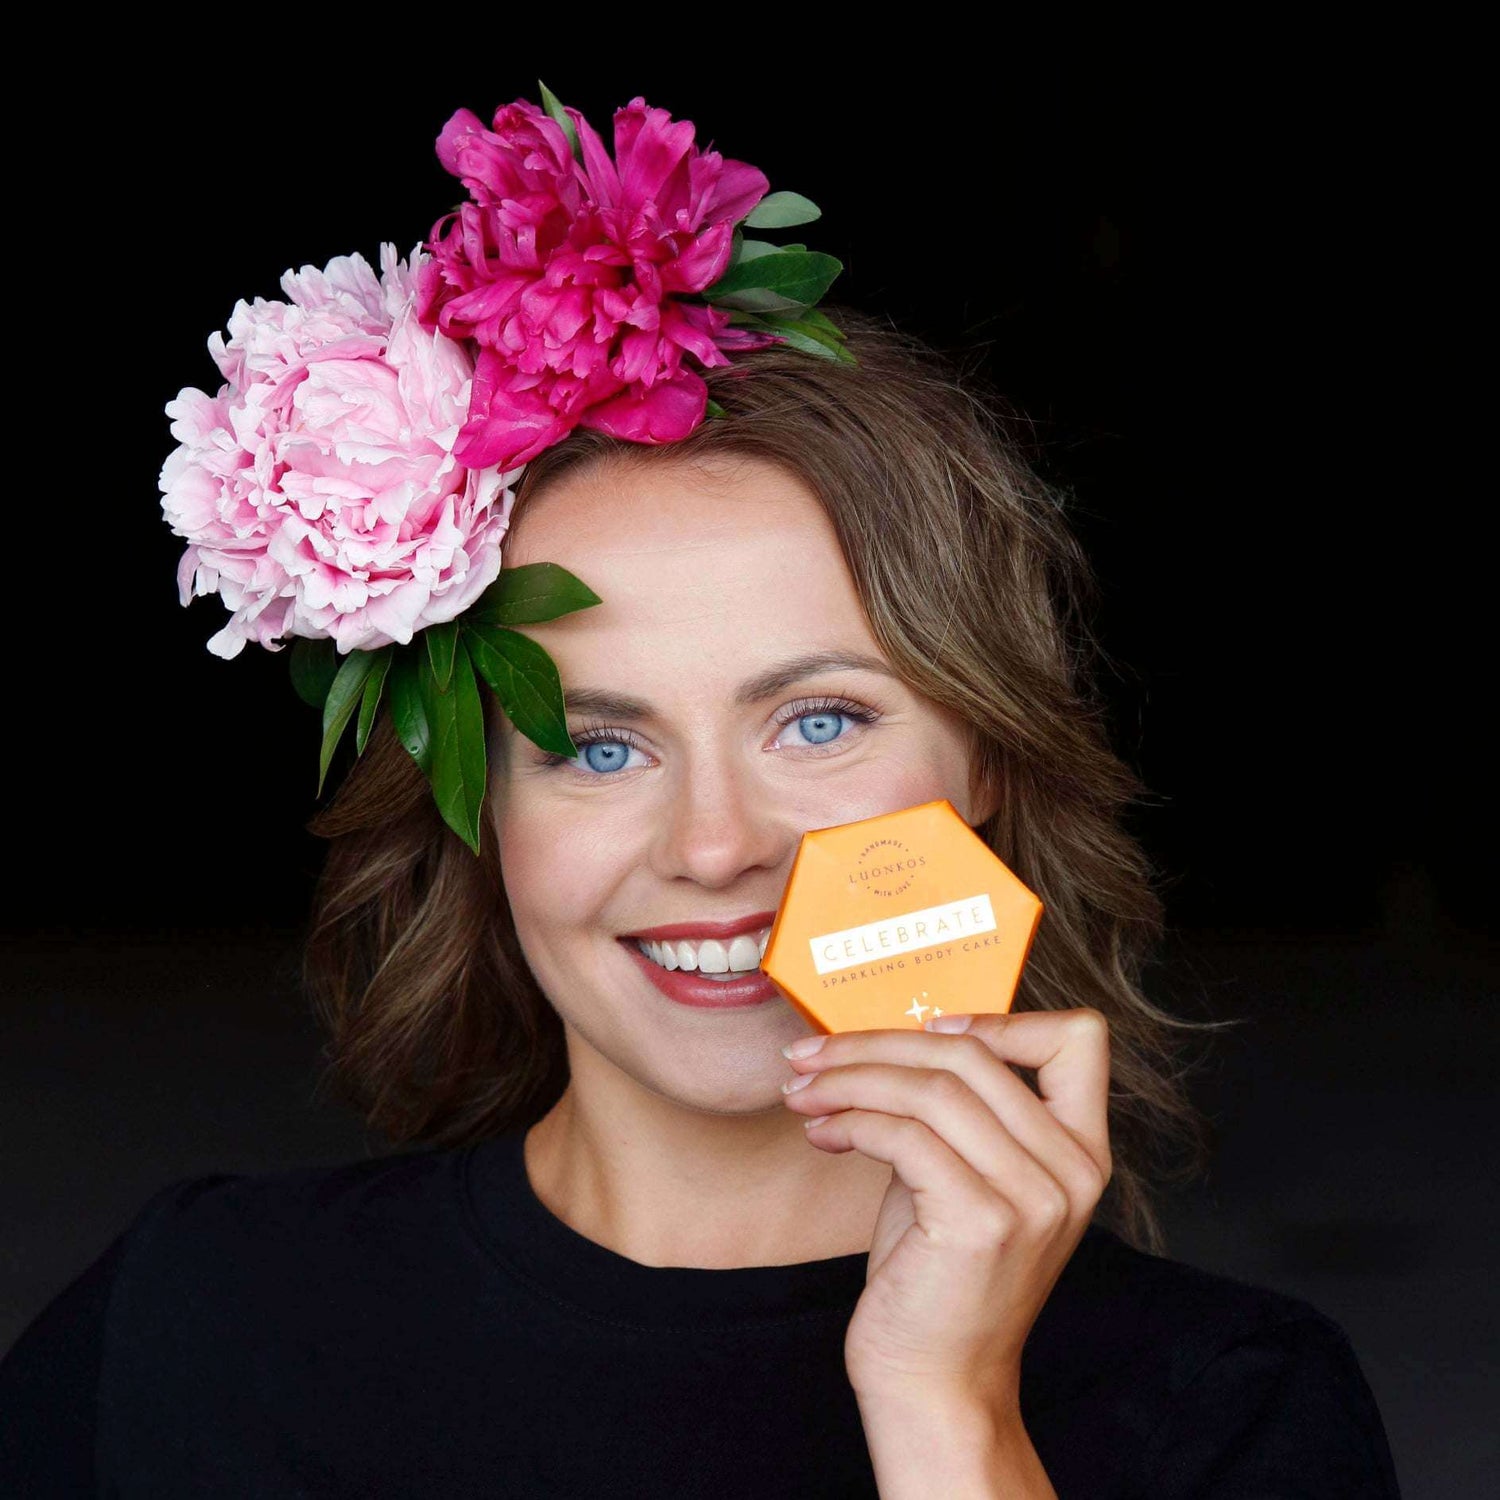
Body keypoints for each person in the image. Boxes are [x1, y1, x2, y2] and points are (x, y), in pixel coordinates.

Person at [0, 92, 1401, 1499]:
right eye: (599, 746)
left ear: (987, 759)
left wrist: (947, 1407)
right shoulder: (191, 1325)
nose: (718, 847)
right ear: (485, 817)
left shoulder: (1235, 1412)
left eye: (819, 720)